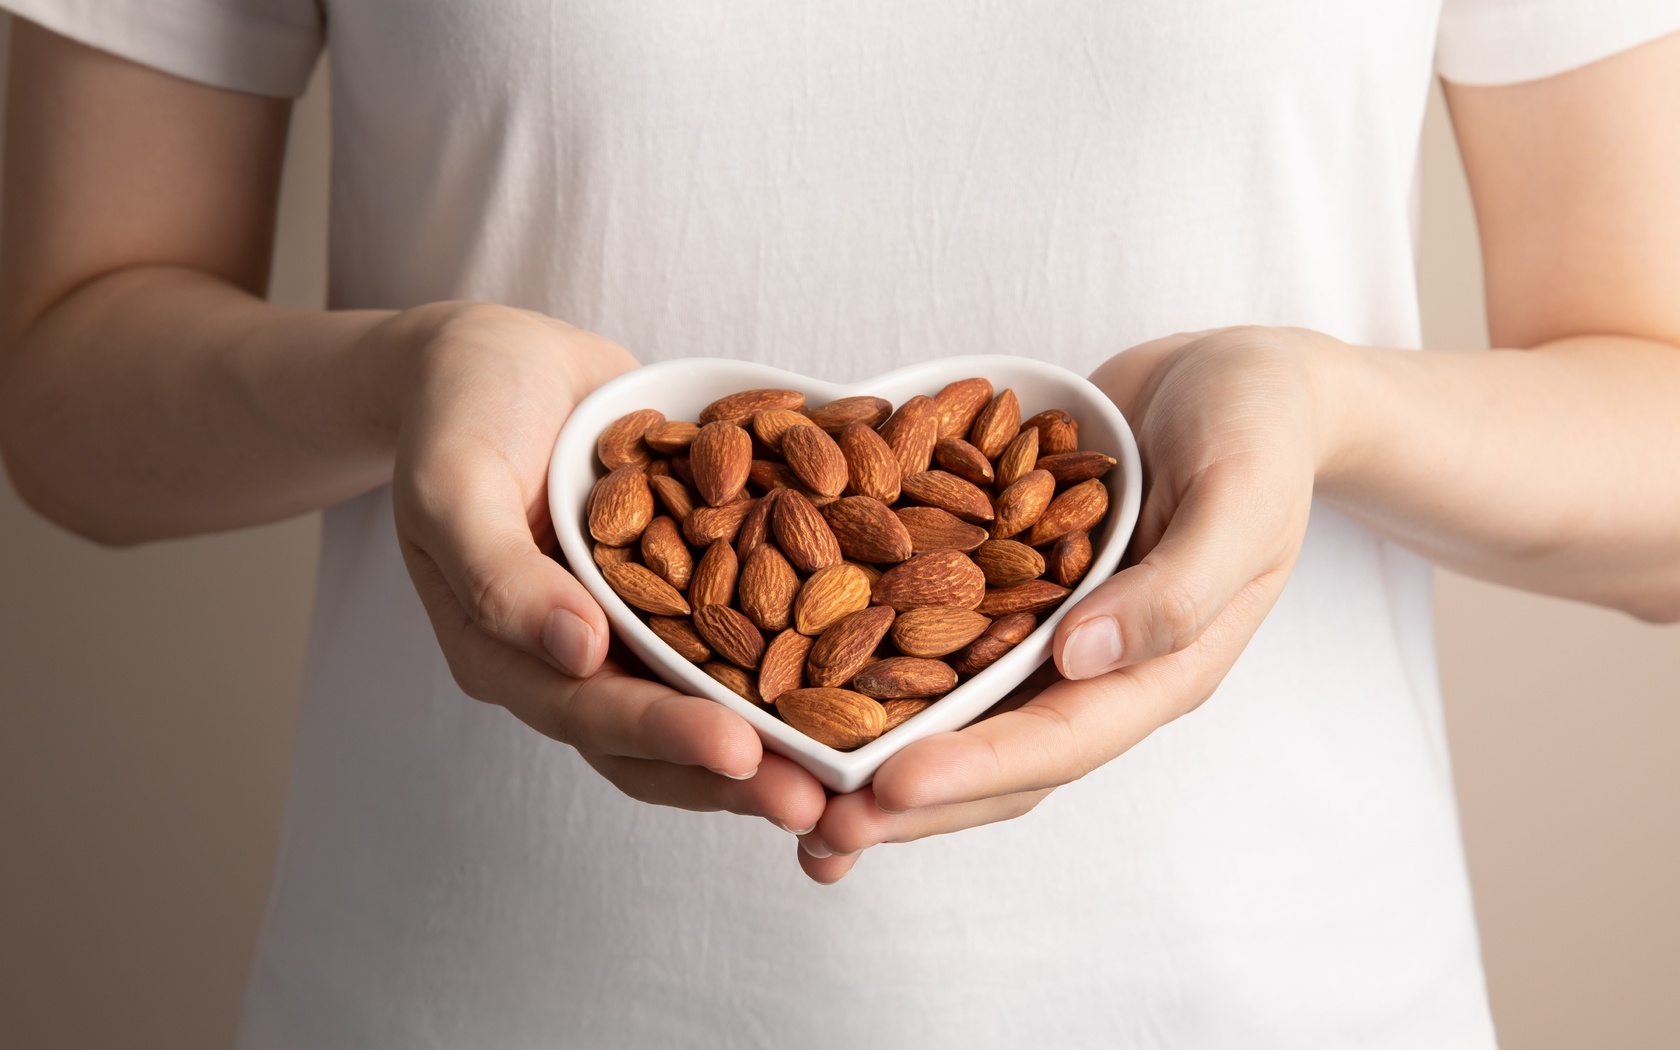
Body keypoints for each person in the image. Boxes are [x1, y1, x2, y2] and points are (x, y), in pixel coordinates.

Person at [2, 2, 1677, 1046]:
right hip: (465, 1007)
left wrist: (1326, 407)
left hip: (1288, 1004)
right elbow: (68, 387)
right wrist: (404, 377)